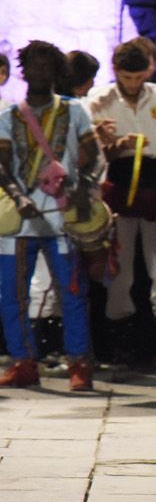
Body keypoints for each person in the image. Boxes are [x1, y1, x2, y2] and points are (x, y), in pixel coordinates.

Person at [0, 41, 100, 390]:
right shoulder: (8, 117)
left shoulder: (74, 112)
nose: (40, 73)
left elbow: (92, 155)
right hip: (19, 222)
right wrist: (17, 196)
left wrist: (83, 190)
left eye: (47, 67)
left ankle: (79, 363)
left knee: (71, 291)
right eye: (35, 66)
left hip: (62, 218)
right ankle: (23, 360)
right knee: (12, 294)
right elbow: (1, 166)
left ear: (57, 72)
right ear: (24, 70)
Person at [88, 39, 156, 364]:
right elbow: (87, 151)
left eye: (138, 77)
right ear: (116, 71)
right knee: (119, 268)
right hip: (116, 185)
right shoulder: (98, 99)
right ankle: (120, 343)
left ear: (149, 69)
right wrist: (112, 143)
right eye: (127, 77)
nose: (133, 84)